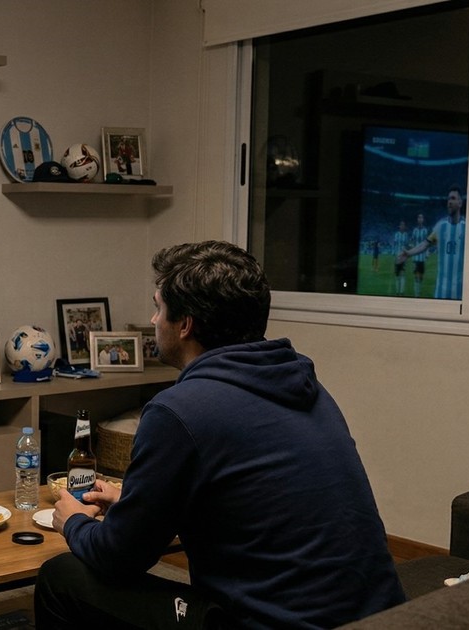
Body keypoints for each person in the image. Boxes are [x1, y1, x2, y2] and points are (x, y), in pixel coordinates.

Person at [35, 241, 405, 629]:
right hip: (384, 618)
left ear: (185, 324)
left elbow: (119, 558)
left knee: (63, 576)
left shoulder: (178, 410)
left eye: (158, 307)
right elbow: (251, 501)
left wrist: (73, 521)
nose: (154, 319)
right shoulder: (305, 385)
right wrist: (135, 504)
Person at [399, 186, 467, 300]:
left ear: (460, 203)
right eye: (448, 199)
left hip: (460, 295)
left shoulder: (467, 228)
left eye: (453, 198)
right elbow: (425, 244)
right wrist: (409, 253)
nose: (449, 202)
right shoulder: (441, 226)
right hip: (440, 293)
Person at [409, 213, 429, 296]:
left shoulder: (425, 230)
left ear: (423, 220)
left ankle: (419, 290)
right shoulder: (415, 230)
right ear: (417, 220)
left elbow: (427, 242)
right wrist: (412, 249)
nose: (420, 219)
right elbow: (412, 240)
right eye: (419, 218)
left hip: (422, 256)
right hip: (416, 256)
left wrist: (427, 253)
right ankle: (416, 293)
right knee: (416, 275)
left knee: (421, 276)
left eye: (421, 218)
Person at [392, 219, 409, 295]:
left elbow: (407, 245)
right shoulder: (396, 234)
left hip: (403, 257)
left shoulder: (406, 235)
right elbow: (394, 244)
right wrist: (394, 254)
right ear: (399, 226)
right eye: (401, 225)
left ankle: (401, 291)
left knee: (402, 273)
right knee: (397, 274)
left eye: (403, 225)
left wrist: (406, 255)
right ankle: (397, 291)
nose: (402, 226)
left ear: (404, 227)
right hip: (397, 257)